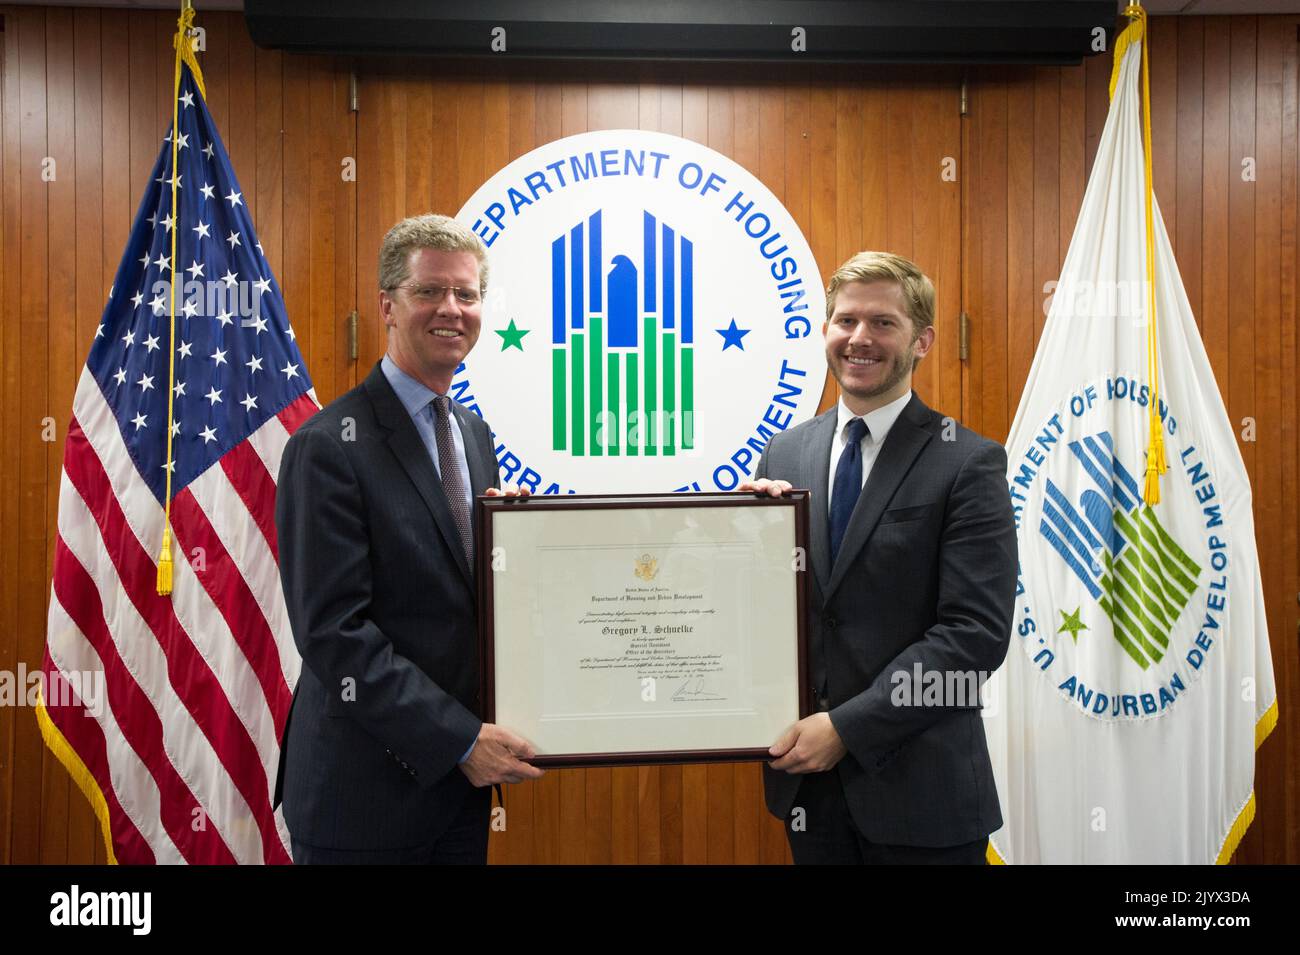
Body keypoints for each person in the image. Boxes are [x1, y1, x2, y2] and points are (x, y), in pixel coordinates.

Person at [274, 214, 543, 864]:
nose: (452, 309)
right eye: (430, 292)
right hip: (363, 797)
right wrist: (458, 739)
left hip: (455, 795)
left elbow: (456, 593)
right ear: (387, 306)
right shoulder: (328, 445)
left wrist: (517, 548)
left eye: (468, 294)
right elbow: (334, 632)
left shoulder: (473, 436)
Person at [739, 250, 1016, 864]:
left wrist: (845, 729)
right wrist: (745, 540)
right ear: (826, 331)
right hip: (808, 792)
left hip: (924, 797)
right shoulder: (783, 457)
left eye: (883, 323)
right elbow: (763, 612)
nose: (860, 338)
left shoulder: (967, 462)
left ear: (923, 341)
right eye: (846, 321)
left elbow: (975, 637)